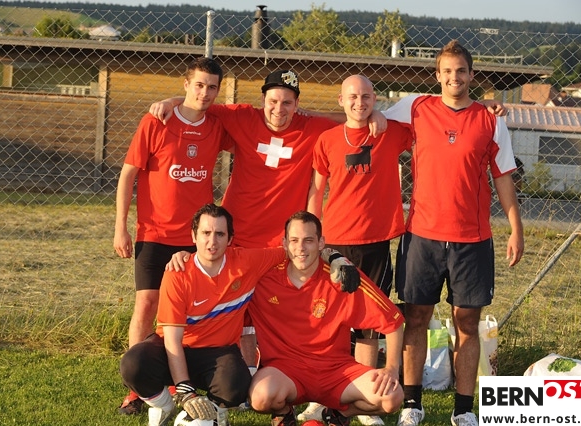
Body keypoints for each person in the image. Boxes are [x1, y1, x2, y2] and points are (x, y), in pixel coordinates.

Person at [149, 69, 387, 374]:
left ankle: (285, 368)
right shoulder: (243, 117)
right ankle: (235, 370)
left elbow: (349, 118)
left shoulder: (311, 128)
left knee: (279, 308)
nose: (279, 109)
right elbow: (199, 103)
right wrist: (172, 101)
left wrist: (374, 113)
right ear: (262, 100)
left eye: (287, 103)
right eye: (273, 101)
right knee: (236, 311)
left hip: (280, 243)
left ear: (297, 105)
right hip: (237, 237)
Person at [384, 40, 524, 426]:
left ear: (471, 75)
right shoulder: (415, 107)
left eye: (461, 71)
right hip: (422, 235)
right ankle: (412, 404)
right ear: (437, 75)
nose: (454, 77)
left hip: (472, 240)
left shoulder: (491, 121)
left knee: (466, 323)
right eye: (447, 71)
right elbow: (366, 117)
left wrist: (516, 229)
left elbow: (503, 177)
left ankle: (463, 409)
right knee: (415, 317)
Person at [124, 204, 360, 426]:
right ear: (194, 236)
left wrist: (335, 257)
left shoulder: (246, 262)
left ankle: (213, 411)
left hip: (217, 351)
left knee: (236, 386)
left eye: (220, 234)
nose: (212, 242)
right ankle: (164, 405)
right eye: (205, 233)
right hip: (177, 347)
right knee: (134, 364)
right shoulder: (177, 273)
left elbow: (295, 250)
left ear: (230, 239)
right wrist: (185, 391)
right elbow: (172, 341)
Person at [114, 57, 232, 415]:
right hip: (154, 232)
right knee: (147, 304)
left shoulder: (217, 125)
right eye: (199, 85)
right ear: (185, 84)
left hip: (196, 239)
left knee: (187, 312)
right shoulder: (157, 120)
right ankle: (137, 389)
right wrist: (120, 226)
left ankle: (182, 378)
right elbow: (128, 175)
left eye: (212, 87)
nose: (205, 92)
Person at [305, 74, 413, 426]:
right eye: (352, 97)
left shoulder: (390, 133)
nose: (359, 102)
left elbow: (426, 113)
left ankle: (364, 394)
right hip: (336, 242)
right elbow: (317, 190)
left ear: (374, 98)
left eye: (366, 96)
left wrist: (384, 116)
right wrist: (314, 236)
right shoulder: (327, 140)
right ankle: (320, 395)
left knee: (370, 324)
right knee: (330, 321)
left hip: (376, 242)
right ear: (341, 100)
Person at [247, 211, 405, 426]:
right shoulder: (265, 278)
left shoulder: (342, 277)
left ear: (321, 243)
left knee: (391, 397)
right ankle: (284, 413)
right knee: (260, 396)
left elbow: (394, 322)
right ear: (284, 243)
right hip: (286, 370)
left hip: (336, 371)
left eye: (308, 240)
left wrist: (391, 369)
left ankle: (339, 415)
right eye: (294, 240)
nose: (301, 248)